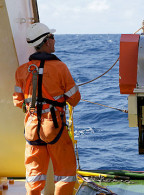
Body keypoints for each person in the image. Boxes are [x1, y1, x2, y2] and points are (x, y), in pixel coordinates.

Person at [13, 23, 81, 195]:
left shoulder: (22, 71)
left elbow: (18, 101)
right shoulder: (60, 67)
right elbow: (74, 99)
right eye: (51, 37)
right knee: (65, 175)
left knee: (34, 175)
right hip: (54, 127)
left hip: (31, 127)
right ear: (45, 41)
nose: (54, 40)